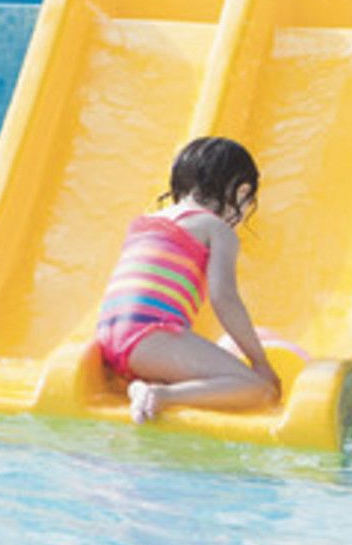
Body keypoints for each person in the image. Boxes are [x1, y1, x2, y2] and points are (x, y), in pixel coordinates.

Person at [96, 135, 284, 422]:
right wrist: (260, 361)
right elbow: (225, 298)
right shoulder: (216, 229)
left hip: (108, 337)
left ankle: (150, 387)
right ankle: (161, 395)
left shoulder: (145, 222)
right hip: (148, 338)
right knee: (258, 390)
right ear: (242, 192)